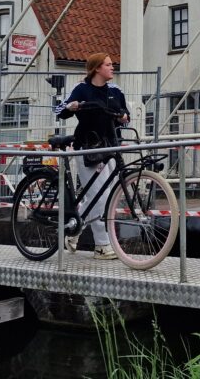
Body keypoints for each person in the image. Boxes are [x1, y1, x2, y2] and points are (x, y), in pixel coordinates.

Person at [53, 53, 131, 259]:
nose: (112, 67)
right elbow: (59, 110)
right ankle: (102, 245)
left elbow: (126, 116)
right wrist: (71, 106)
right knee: (99, 195)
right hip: (87, 148)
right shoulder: (81, 89)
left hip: (111, 148)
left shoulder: (116, 91)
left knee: (103, 194)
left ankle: (73, 229)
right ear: (97, 68)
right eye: (108, 64)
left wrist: (124, 118)